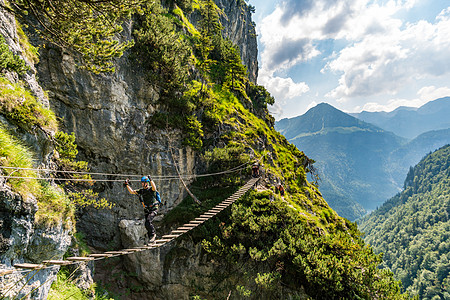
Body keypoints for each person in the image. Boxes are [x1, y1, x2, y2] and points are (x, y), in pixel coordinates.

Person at [124, 176, 159, 243]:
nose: (142, 184)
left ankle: (153, 235)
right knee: (146, 224)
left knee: (148, 221)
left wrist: (151, 180)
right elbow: (132, 192)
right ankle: (151, 240)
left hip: (154, 208)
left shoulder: (151, 190)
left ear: (147, 183)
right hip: (147, 209)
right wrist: (127, 184)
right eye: (142, 183)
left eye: (144, 182)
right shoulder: (141, 191)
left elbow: (154, 187)